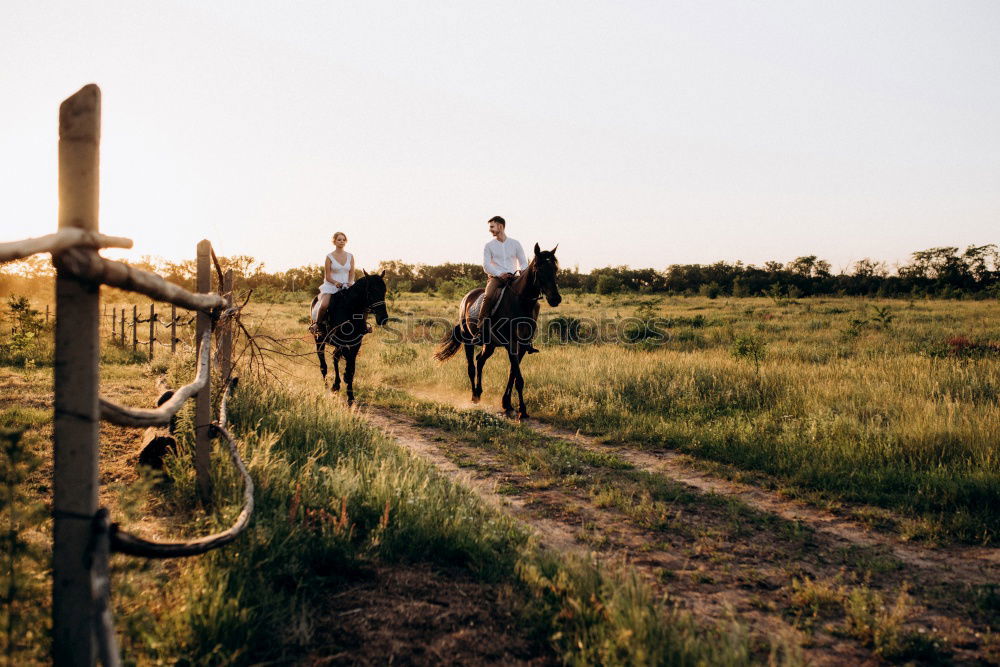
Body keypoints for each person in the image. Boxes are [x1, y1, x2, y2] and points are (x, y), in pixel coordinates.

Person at [476, 215, 537, 352]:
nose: (490, 230)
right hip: (496, 278)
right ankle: (480, 330)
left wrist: (522, 272)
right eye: (490, 227)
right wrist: (499, 274)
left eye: (492, 226)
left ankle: (528, 337)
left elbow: (523, 262)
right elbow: (486, 265)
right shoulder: (489, 246)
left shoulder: (515, 244)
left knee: (535, 303)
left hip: (514, 278)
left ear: (500, 226)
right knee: (488, 296)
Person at [310, 232, 355, 335]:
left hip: (347, 286)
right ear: (334, 241)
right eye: (339, 239)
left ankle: (363, 325)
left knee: (360, 303)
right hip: (331, 286)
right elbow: (328, 276)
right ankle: (317, 324)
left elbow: (352, 273)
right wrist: (335, 283)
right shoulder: (329, 257)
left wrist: (350, 282)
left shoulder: (350, 256)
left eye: (343, 240)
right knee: (324, 305)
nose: (342, 241)